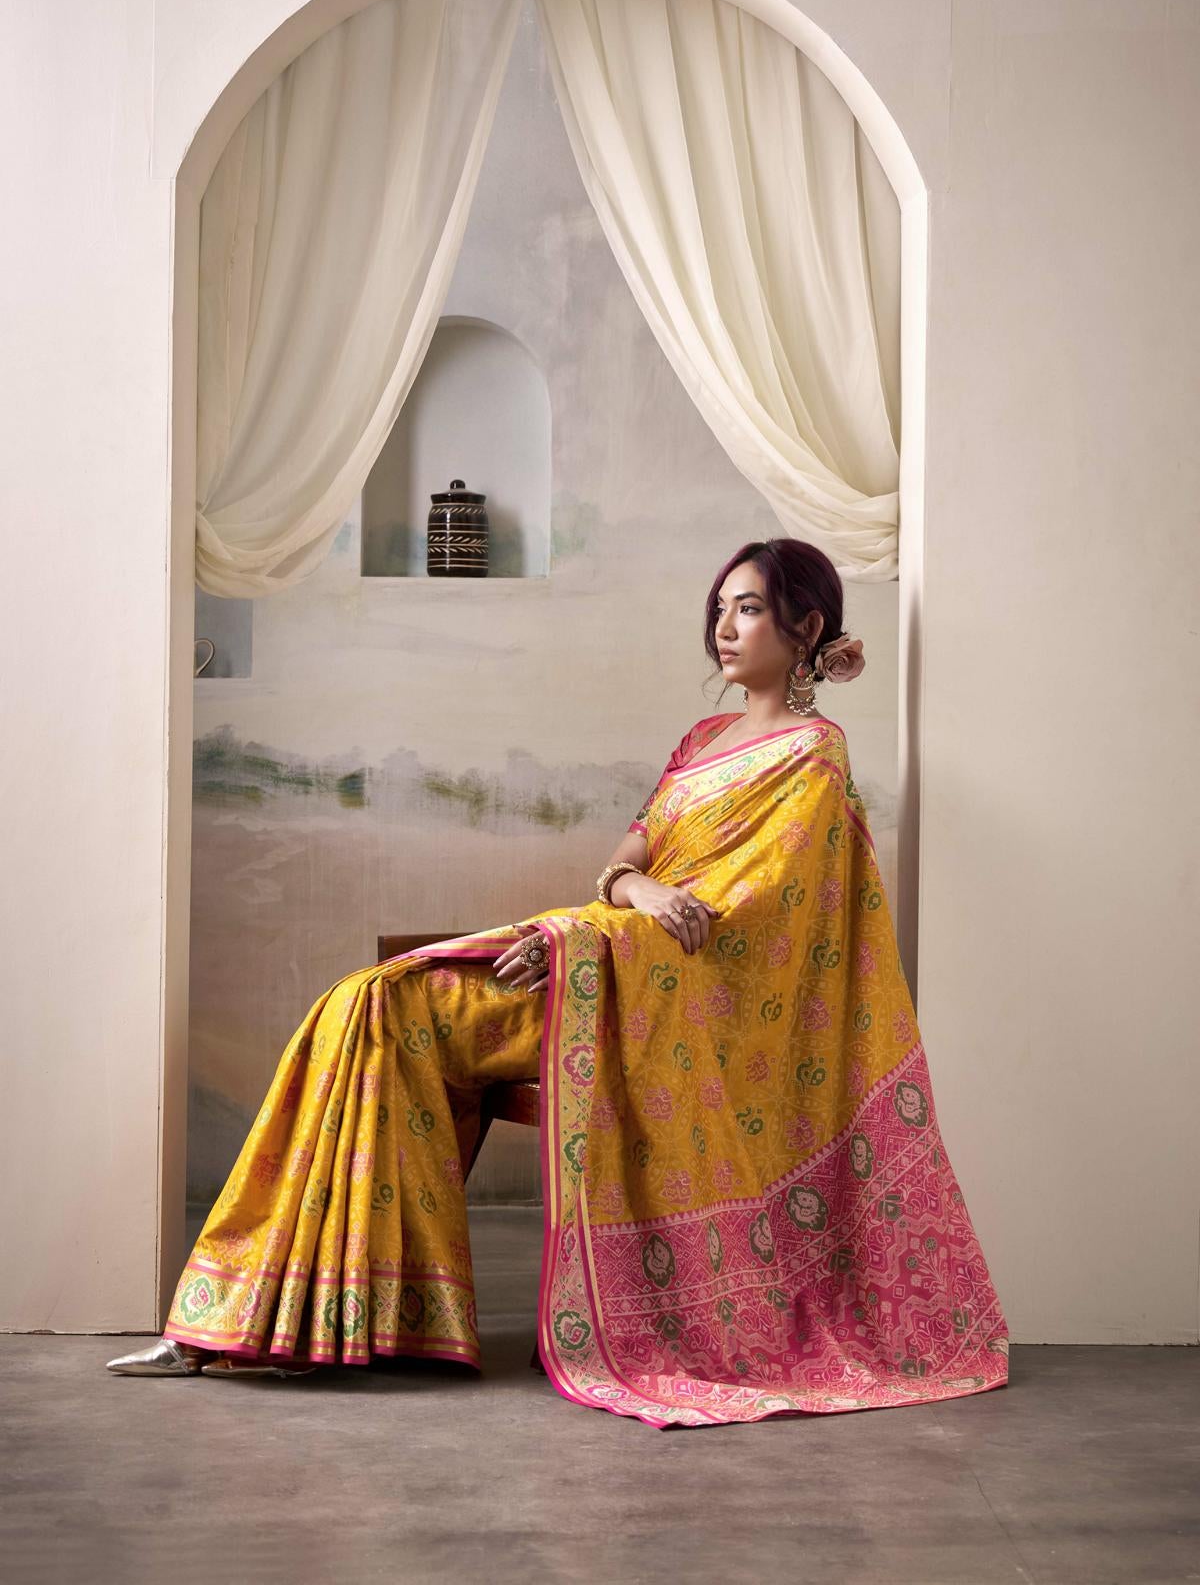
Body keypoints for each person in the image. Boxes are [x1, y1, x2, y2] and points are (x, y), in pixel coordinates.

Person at [109, 537, 1009, 1426]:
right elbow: (625, 861)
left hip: (644, 999)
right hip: (595, 957)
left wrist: (589, 944)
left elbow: (757, 918)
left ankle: (258, 1322)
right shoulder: (703, 739)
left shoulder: (814, 754)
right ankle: (301, 1316)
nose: (724, 628)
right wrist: (627, 899)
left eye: (749, 609)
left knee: (377, 1003)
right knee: (359, 1007)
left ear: (805, 627)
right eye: (719, 608)